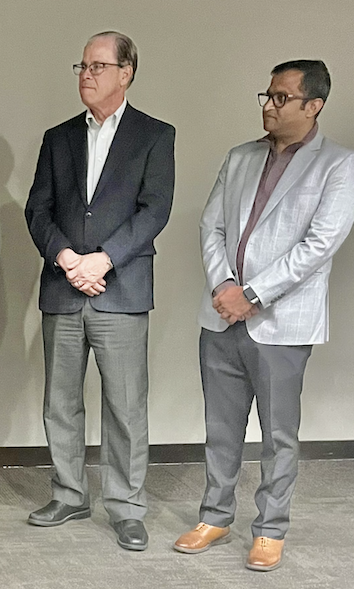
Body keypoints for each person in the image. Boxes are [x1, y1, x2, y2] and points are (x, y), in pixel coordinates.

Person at [173, 60, 354, 572]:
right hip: (221, 317)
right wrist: (222, 286)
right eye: (267, 96)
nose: (268, 106)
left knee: (278, 434)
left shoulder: (337, 165)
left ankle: (271, 528)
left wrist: (251, 293)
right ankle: (215, 515)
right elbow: (211, 228)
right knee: (220, 427)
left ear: (313, 106)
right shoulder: (240, 157)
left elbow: (319, 244)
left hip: (281, 322)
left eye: (280, 98)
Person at [24, 31, 175, 551]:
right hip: (64, 288)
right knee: (60, 403)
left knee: (126, 407)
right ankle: (69, 494)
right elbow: (37, 210)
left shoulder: (155, 134)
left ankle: (127, 507)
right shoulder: (58, 137)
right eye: (82, 66)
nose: (86, 75)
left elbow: (155, 209)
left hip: (121, 288)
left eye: (97, 66)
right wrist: (68, 259)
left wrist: (103, 259)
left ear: (126, 72)